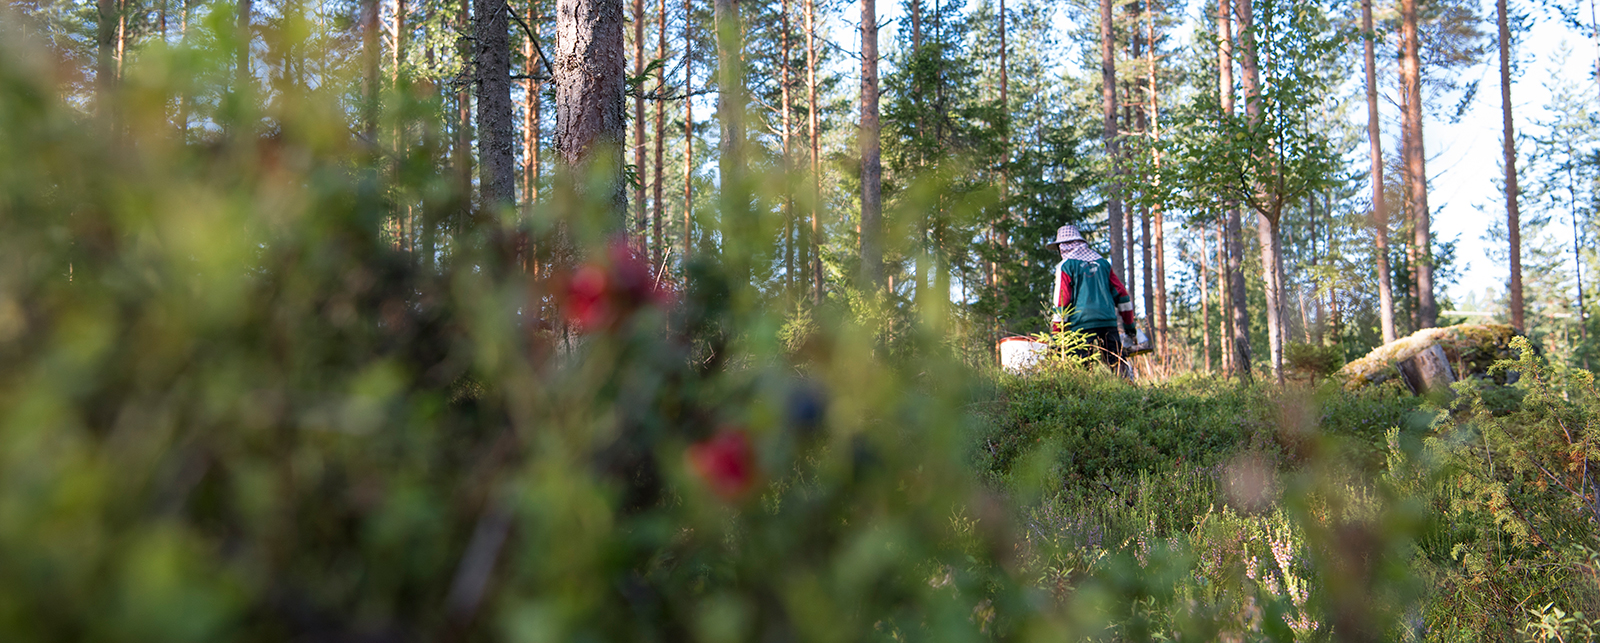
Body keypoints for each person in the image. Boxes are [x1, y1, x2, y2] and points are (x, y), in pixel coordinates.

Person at [1048, 224, 1136, 369]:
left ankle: (1084, 391)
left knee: (1081, 368)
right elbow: (1122, 295)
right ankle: (1128, 389)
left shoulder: (1065, 266)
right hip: (1107, 321)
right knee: (1117, 364)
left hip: (1080, 324)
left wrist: (1057, 333)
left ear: (1062, 246)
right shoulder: (1103, 263)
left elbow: (1062, 301)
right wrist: (1130, 328)